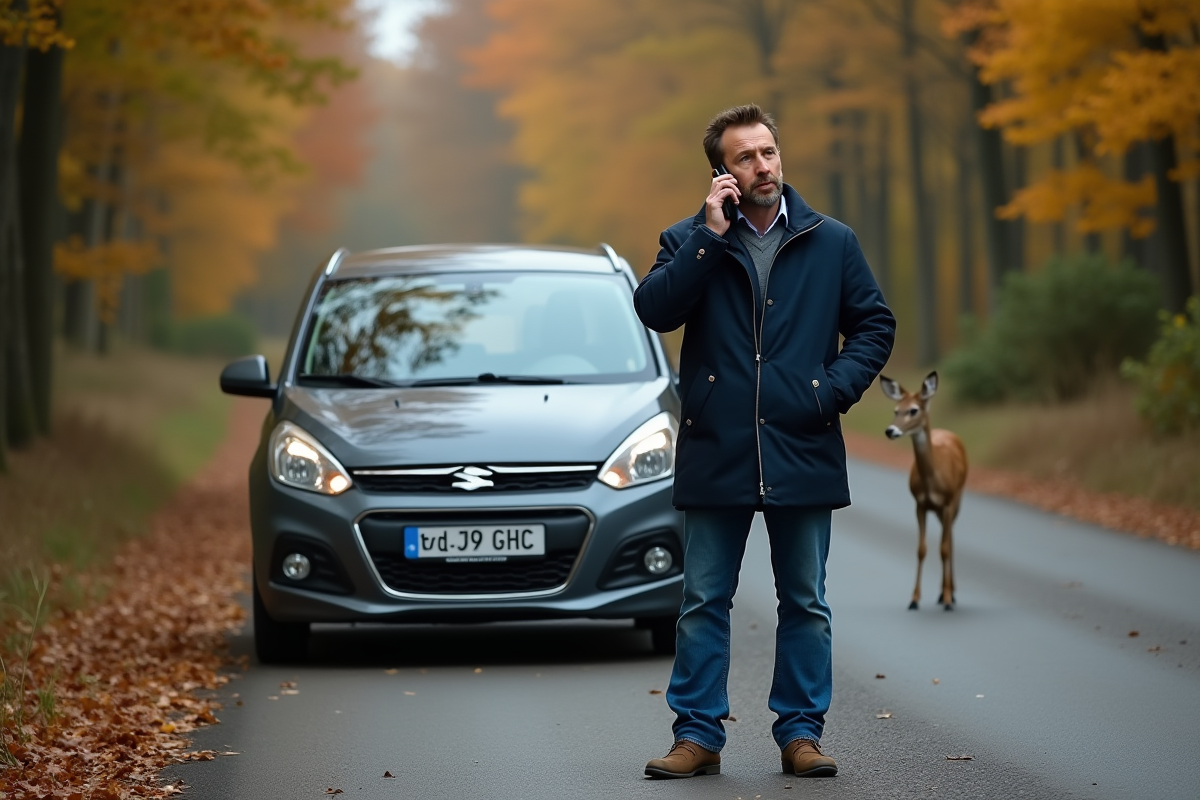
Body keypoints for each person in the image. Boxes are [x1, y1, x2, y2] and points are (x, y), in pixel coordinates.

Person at [633, 104, 896, 780]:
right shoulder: (688, 239)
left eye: (769, 153)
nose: (763, 166)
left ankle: (801, 734)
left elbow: (873, 325)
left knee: (805, 600)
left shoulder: (831, 241)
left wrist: (828, 391)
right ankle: (697, 736)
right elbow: (654, 310)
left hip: (802, 444)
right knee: (702, 601)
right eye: (746, 157)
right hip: (716, 448)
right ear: (722, 172)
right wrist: (706, 237)